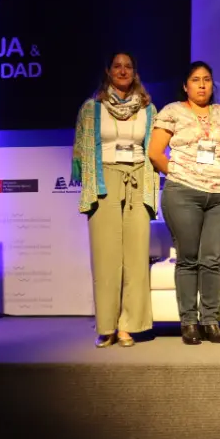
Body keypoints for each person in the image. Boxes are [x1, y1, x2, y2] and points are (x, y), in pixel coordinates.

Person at [72, 52, 158, 348]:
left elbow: (153, 148)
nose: (123, 71)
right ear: (108, 71)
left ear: (135, 72)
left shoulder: (148, 107)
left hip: (138, 178)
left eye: (128, 66)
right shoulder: (91, 107)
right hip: (104, 180)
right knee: (106, 256)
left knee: (136, 256)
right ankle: (107, 326)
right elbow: (82, 148)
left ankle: (128, 326)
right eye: (117, 66)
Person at [149, 61, 220, 345]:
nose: (202, 85)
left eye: (207, 79)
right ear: (186, 86)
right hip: (183, 193)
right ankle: (188, 322)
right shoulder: (172, 111)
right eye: (196, 80)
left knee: (213, 260)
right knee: (188, 258)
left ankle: (211, 321)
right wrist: (179, 174)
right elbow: (155, 152)